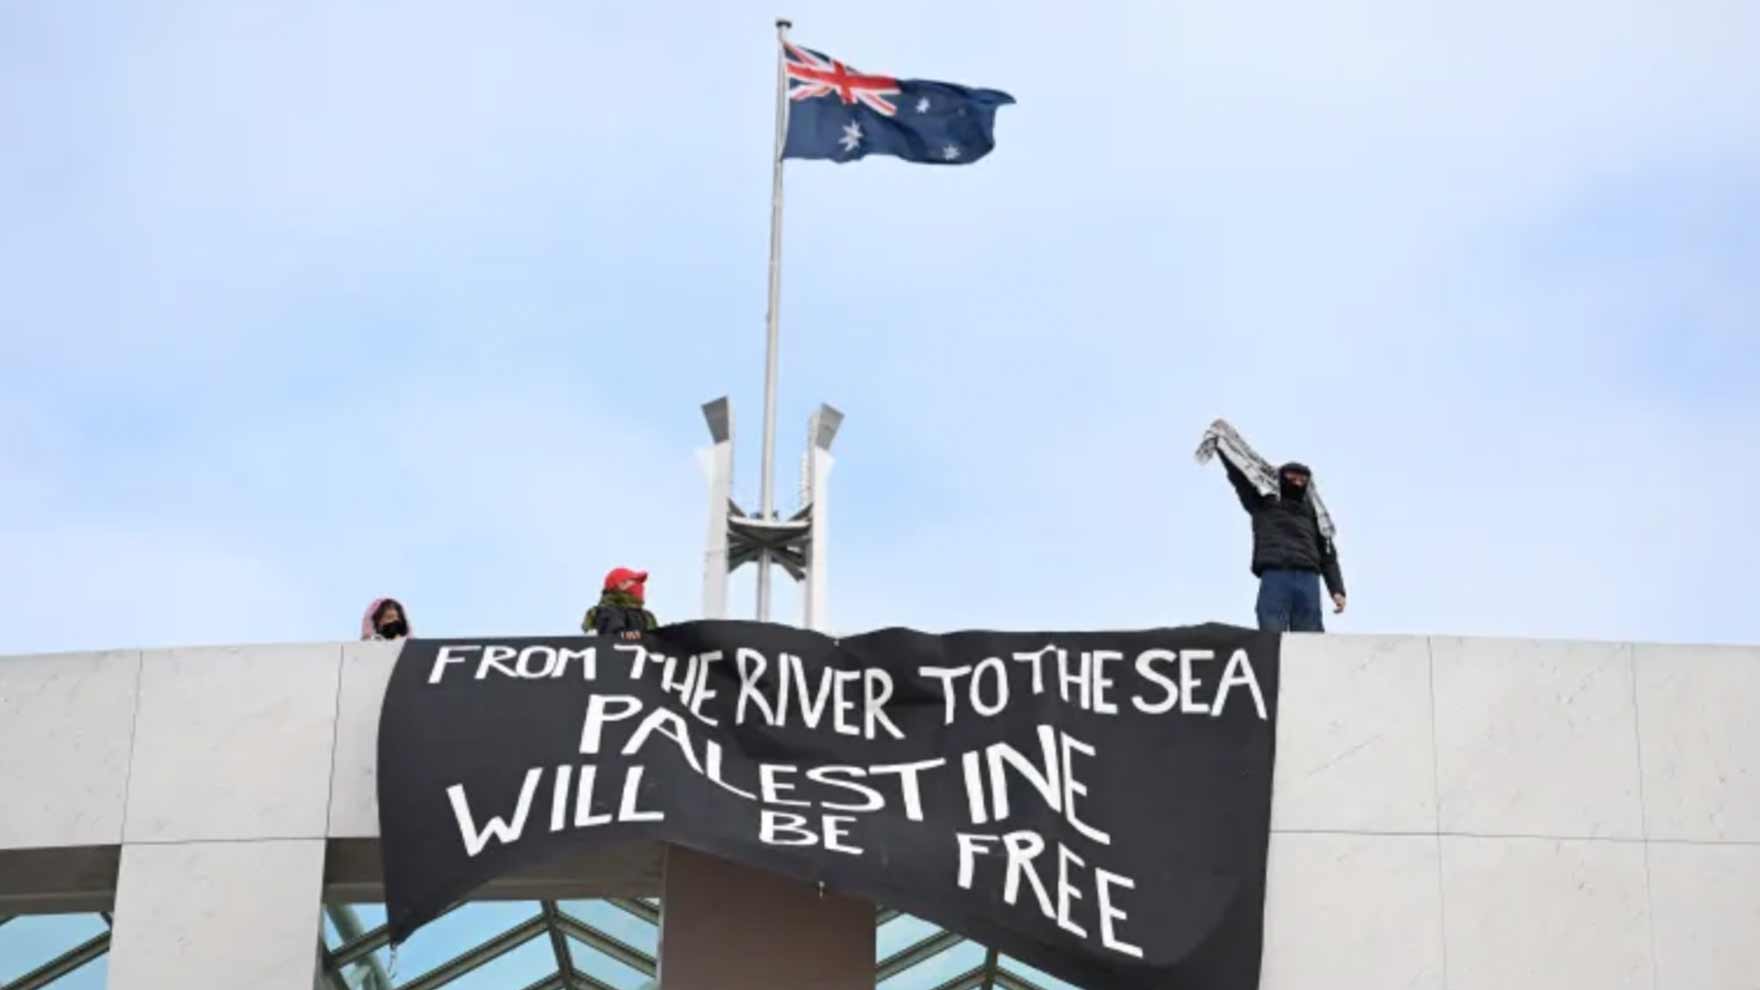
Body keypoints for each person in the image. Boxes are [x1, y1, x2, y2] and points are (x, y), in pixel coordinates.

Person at [1196, 420, 1347, 632]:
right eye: (1292, 476)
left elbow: (1328, 554)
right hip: (1275, 572)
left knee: (1310, 632)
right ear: (1280, 477)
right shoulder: (1263, 501)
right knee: (1271, 629)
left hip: (1308, 577)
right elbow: (1241, 475)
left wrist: (1337, 589)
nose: (1297, 482)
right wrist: (1223, 447)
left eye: (1302, 478)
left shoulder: (1315, 513)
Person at [583, 568, 658, 640]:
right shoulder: (608, 611)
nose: (640, 586)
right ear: (621, 584)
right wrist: (642, 636)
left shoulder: (647, 616)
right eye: (635, 581)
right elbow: (614, 637)